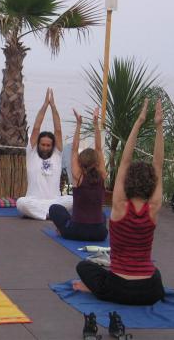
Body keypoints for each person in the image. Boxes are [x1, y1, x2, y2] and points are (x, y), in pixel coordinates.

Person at [73, 99, 165, 305]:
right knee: (155, 271)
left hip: (118, 288)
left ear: (127, 181)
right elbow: (157, 165)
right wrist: (159, 126)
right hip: (150, 291)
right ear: (152, 184)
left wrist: (139, 121)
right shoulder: (153, 208)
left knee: (84, 267)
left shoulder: (119, 206)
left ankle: (92, 289)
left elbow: (125, 161)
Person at [48, 108, 108, 241]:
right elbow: (99, 148)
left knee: (54, 208)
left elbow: (74, 149)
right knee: (102, 215)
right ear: (97, 162)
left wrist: (79, 124)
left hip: (75, 232)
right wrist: (95, 123)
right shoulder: (102, 175)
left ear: (80, 163)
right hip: (99, 234)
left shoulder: (78, 177)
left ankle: (61, 230)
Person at [16, 87, 72, 220]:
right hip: (34, 201)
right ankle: (48, 214)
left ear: (52, 146)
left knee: (72, 200)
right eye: (43, 144)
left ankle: (46, 213)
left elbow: (58, 130)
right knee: (21, 203)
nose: (46, 147)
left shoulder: (57, 154)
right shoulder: (32, 153)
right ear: (38, 145)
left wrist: (53, 106)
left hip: (55, 201)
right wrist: (44, 105)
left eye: (48, 145)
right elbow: (36, 127)